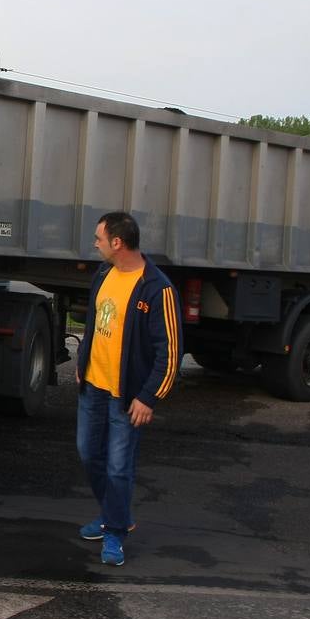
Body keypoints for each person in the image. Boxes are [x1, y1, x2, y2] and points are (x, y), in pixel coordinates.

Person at [75, 211, 181, 566]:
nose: (95, 245)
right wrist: (82, 364)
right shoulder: (104, 275)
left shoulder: (157, 287)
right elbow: (92, 323)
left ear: (117, 243)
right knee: (89, 453)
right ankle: (112, 514)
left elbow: (171, 350)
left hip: (126, 396)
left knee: (119, 466)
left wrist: (149, 397)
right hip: (94, 386)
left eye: (99, 239)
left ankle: (115, 533)